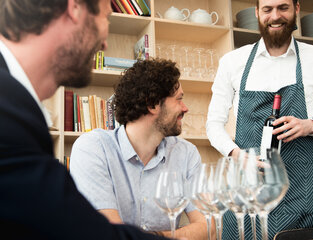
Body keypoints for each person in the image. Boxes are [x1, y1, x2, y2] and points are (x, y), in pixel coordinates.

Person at [0, 0, 170, 239]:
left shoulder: (16, 103)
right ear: (75, 5)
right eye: (105, 16)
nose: (105, 44)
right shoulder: (8, 110)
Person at [206, 0, 313, 239]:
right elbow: (213, 125)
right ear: (257, 12)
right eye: (267, 9)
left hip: (303, 192)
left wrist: (311, 126)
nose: (275, 16)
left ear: (296, 8)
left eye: (283, 8)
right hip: (247, 190)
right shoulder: (232, 62)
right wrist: (236, 154)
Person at [70, 59, 211, 240]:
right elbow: (109, 235)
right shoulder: (93, 148)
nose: (185, 108)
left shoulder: (186, 153)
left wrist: (154, 235)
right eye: (179, 99)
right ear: (152, 104)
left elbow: (208, 228)